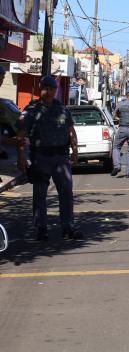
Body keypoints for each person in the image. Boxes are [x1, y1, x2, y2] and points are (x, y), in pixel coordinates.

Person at [16, 75, 82, 241]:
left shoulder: (62, 108)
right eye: (46, 88)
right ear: (41, 89)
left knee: (66, 192)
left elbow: (71, 131)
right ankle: (41, 228)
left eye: (53, 89)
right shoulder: (31, 109)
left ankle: (68, 227)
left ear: (56, 90)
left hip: (61, 157)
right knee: (40, 193)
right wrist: (21, 156)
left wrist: (75, 150)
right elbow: (21, 135)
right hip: (41, 156)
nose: (50, 92)